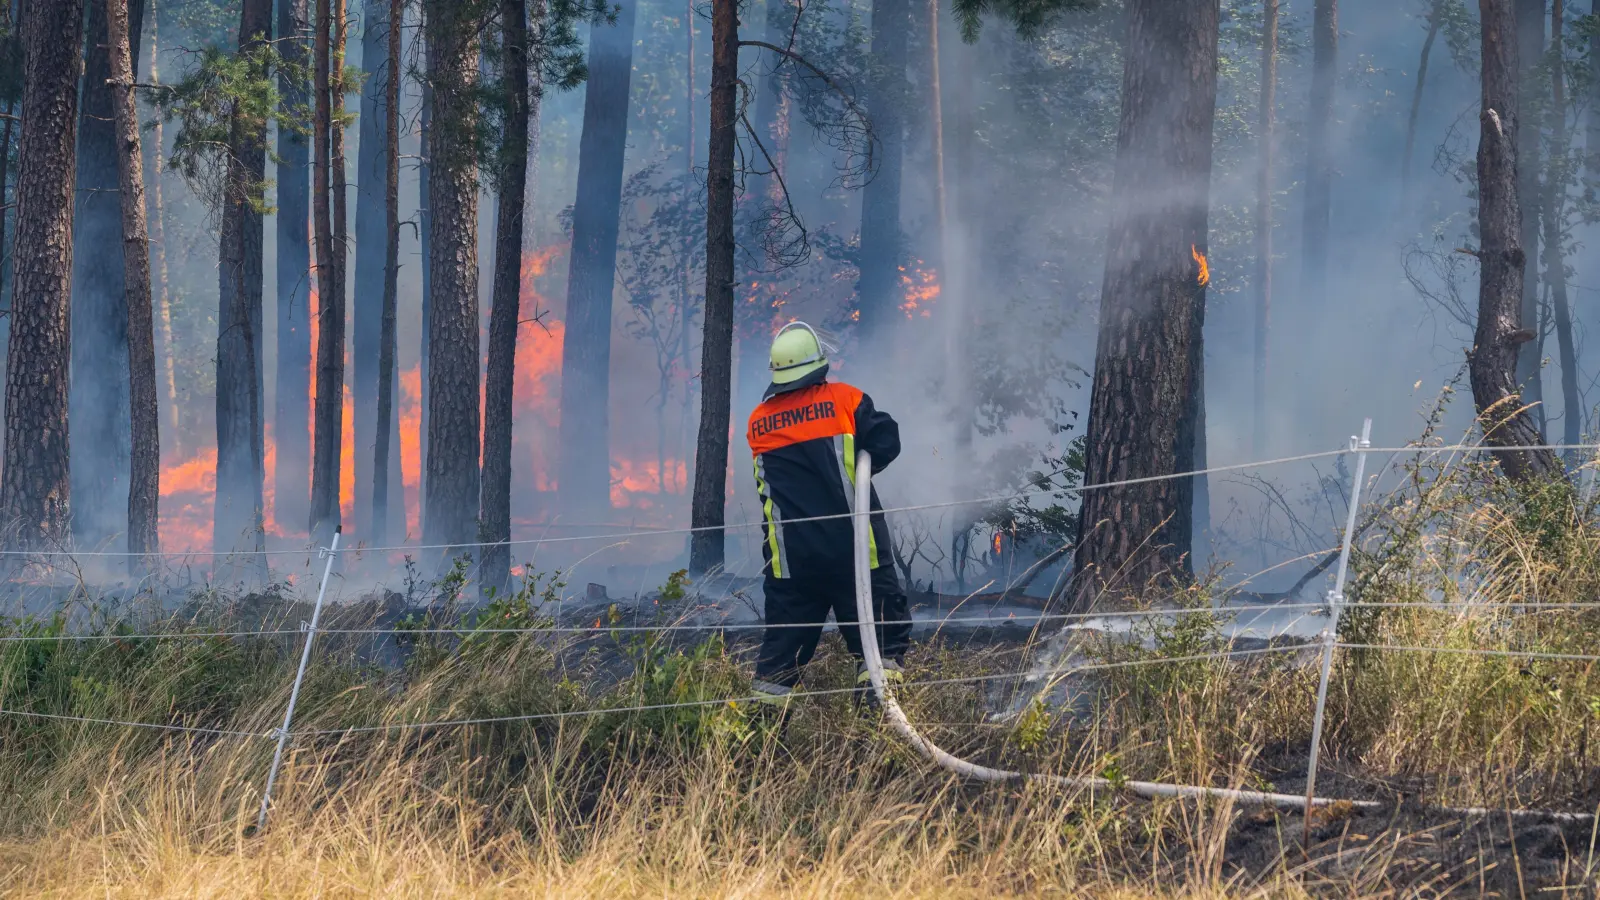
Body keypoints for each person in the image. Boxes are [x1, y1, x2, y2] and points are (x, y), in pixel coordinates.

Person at [746, 321, 910, 712]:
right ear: (818, 365)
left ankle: (757, 756)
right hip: (855, 554)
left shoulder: (758, 421)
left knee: (779, 665)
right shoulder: (846, 401)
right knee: (882, 644)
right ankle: (877, 737)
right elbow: (888, 440)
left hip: (791, 565)